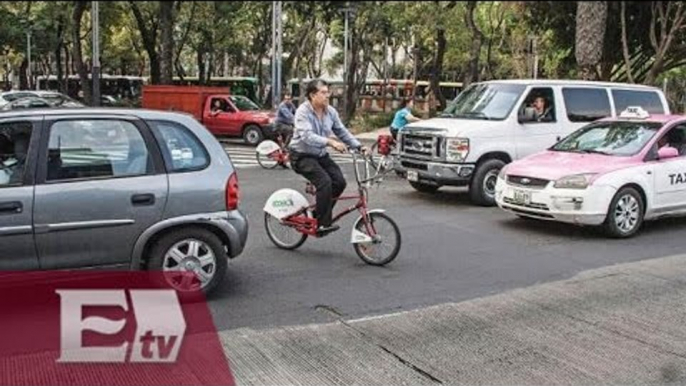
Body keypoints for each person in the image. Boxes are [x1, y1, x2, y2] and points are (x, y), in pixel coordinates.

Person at [289, 79, 367, 234]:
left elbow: (341, 130)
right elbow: (307, 136)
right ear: (312, 95)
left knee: (339, 182)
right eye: (323, 93)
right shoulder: (303, 111)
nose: (327, 96)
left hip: (320, 155)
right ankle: (323, 223)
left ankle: (319, 214)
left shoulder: (330, 111)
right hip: (301, 156)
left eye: (327, 92)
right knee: (324, 181)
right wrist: (330, 142)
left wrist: (358, 145)